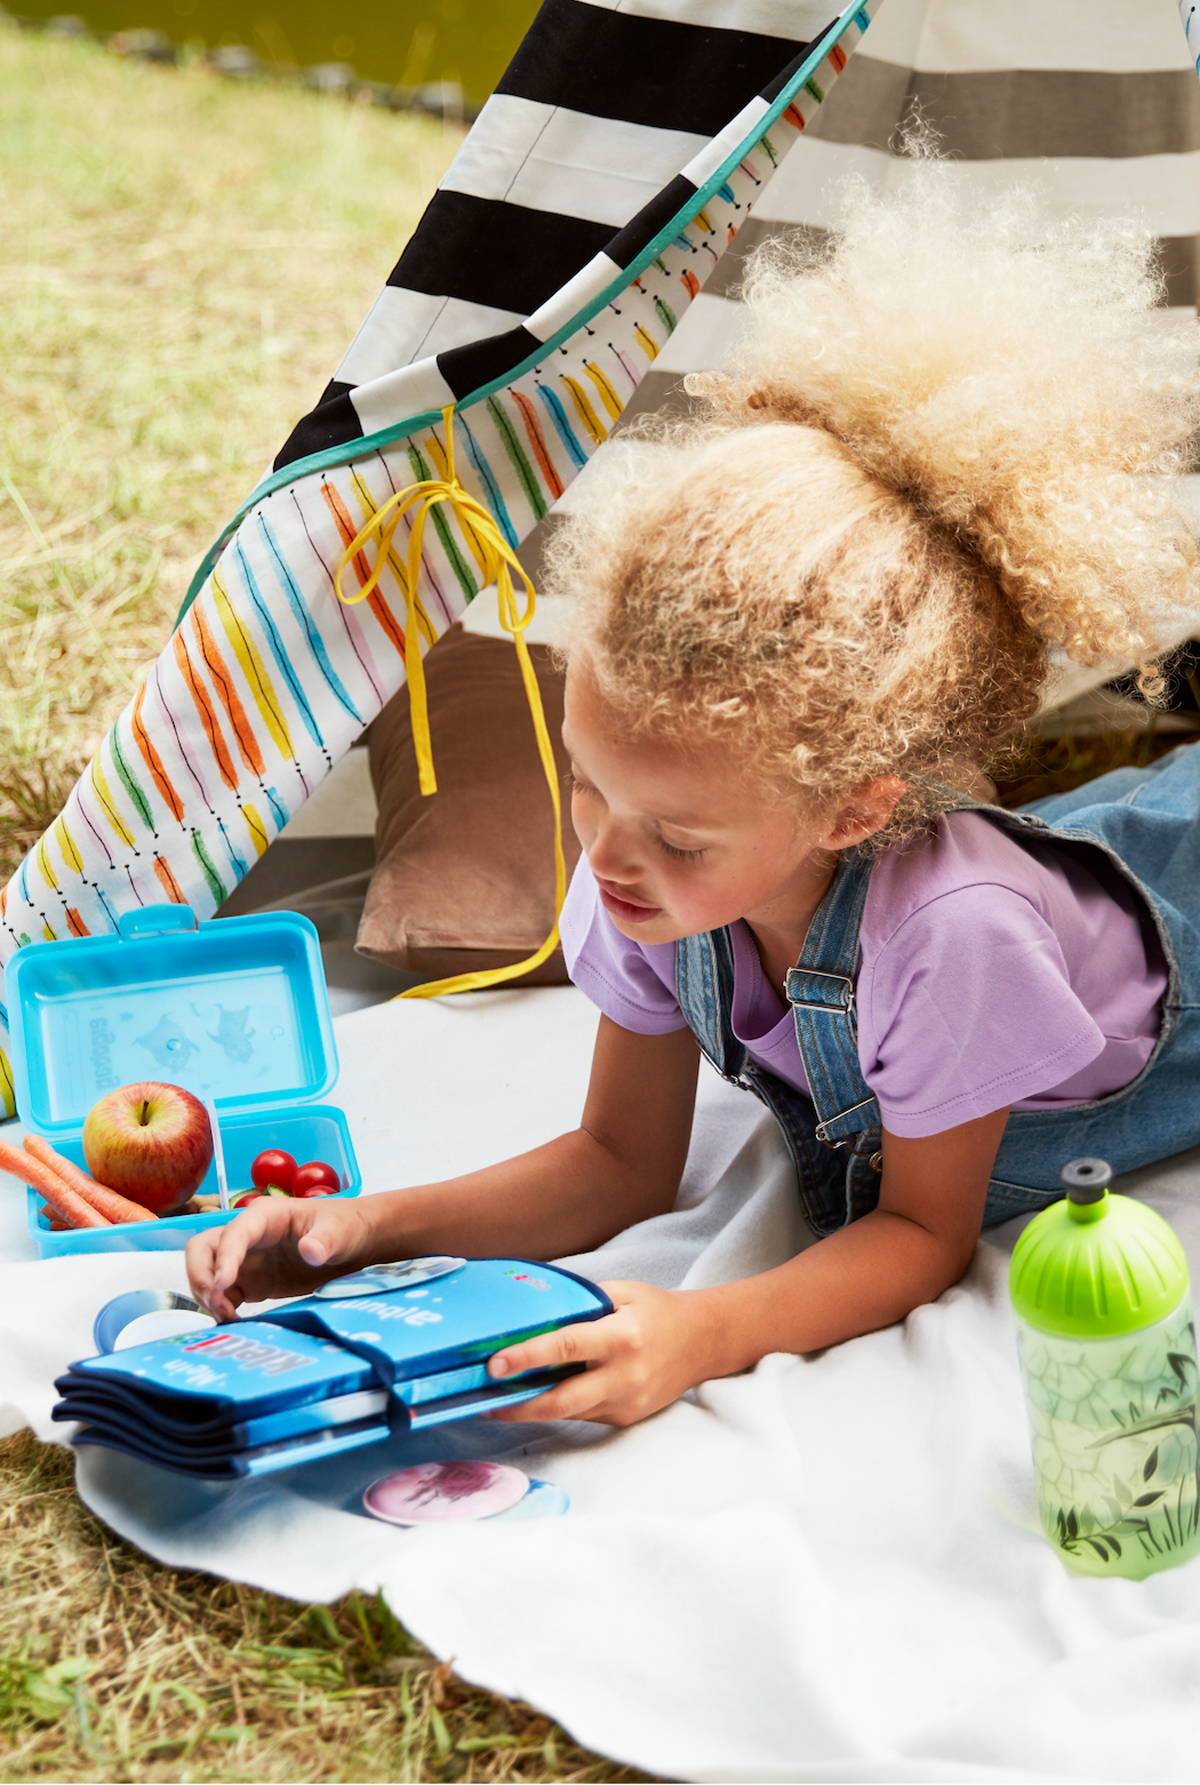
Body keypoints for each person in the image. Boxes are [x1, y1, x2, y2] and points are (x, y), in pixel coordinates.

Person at [186, 159, 1200, 1428]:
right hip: (1064, 885)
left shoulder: (954, 942)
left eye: (674, 833)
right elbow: (616, 1162)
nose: (607, 859)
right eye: (591, 788)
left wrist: (693, 1333)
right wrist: (357, 1229)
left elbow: (921, 1232)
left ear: (848, 810)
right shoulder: (644, 875)